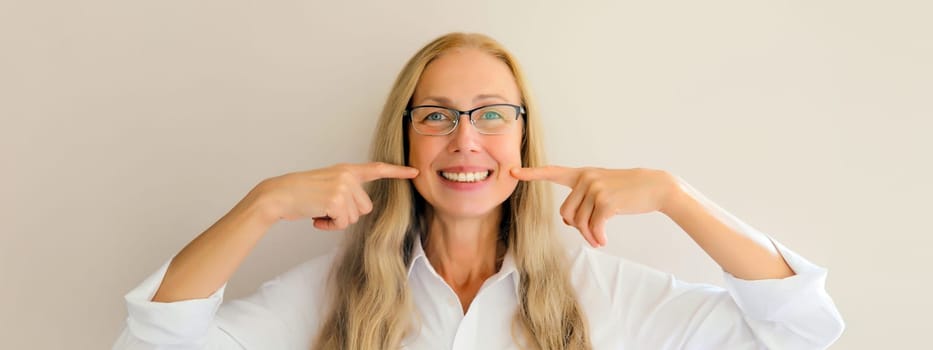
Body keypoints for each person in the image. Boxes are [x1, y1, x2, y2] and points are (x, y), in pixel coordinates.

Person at [112, 32, 844, 350]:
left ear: (523, 137)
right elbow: (156, 343)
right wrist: (262, 205)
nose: (465, 140)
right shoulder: (334, 294)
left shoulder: (608, 295)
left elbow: (801, 330)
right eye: (437, 116)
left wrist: (674, 195)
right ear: (406, 138)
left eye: (492, 114)